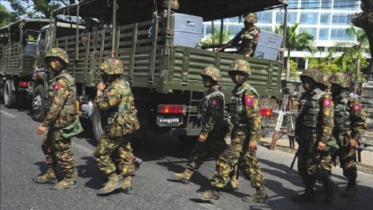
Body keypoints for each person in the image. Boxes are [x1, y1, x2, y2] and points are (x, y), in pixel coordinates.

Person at [195, 59, 268, 203]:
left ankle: (214, 190)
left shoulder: (248, 93)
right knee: (247, 163)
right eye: (234, 74)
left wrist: (253, 138)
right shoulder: (238, 91)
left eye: (239, 74)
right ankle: (261, 192)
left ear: (246, 75)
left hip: (245, 134)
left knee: (225, 159)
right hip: (238, 131)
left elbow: (254, 118)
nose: (236, 77)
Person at [169, 65, 238, 189]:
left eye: (206, 78)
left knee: (223, 157)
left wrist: (205, 133)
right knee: (197, 152)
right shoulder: (210, 93)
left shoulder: (216, 96)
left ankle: (233, 181)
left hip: (215, 133)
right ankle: (187, 174)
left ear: (212, 79)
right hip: (210, 132)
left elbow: (214, 117)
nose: (204, 80)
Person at [34, 47, 83, 190]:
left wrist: (44, 124)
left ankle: (69, 178)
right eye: (50, 60)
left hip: (61, 121)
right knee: (47, 145)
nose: (52, 63)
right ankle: (51, 173)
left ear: (63, 62)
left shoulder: (62, 81)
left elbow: (56, 105)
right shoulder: (60, 78)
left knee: (62, 149)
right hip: (58, 120)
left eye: (56, 60)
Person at [93, 58, 140, 195]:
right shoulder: (124, 83)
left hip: (117, 127)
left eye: (104, 72)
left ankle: (113, 179)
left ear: (110, 73)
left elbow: (103, 105)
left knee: (100, 154)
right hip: (127, 124)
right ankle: (127, 183)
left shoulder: (115, 88)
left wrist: (100, 92)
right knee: (124, 152)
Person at [292, 68, 338, 203]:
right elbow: (300, 118)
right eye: (304, 80)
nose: (305, 83)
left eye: (308, 80)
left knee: (312, 167)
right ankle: (309, 192)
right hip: (304, 135)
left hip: (316, 136)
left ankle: (330, 186)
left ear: (315, 81)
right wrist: (297, 134)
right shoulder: (305, 97)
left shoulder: (324, 97)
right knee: (302, 166)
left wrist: (323, 140)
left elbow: (328, 122)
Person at [329, 72, 367, 197]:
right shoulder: (329, 99)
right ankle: (327, 185)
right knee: (325, 161)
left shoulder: (352, 102)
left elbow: (360, 122)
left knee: (348, 164)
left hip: (346, 137)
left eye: (334, 85)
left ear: (341, 86)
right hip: (330, 136)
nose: (332, 87)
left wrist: (354, 138)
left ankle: (351, 185)